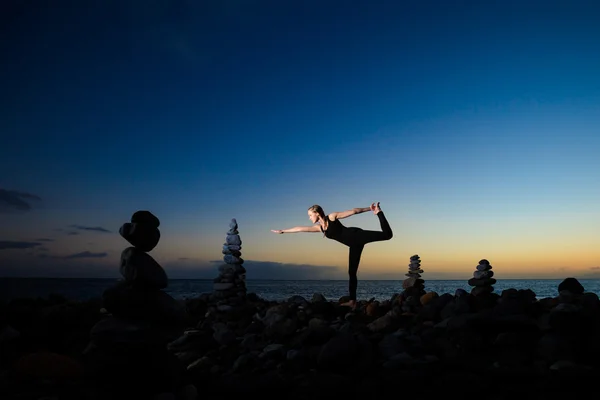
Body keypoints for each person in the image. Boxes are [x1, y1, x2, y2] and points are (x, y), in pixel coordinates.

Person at [271, 202, 393, 308]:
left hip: (357, 235)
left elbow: (353, 211)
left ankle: (379, 212)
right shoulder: (320, 228)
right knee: (351, 272)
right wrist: (283, 231)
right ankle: (352, 302)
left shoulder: (332, 217)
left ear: (317, 213)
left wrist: (370, 209)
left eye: (310, 215)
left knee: (388, 235)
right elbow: (300, 229)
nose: (309, 218)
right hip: (354, 246)